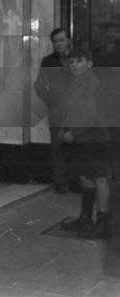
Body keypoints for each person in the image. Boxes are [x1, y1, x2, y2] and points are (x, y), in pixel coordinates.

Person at [59, 48, 112, 239]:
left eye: (79, 61)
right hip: (83, 140)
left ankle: (103, 223)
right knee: (86, 177)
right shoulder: (77, 83)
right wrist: (65, 128)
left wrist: (73, 132)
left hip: (95, 139)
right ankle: (85, 218)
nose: (73, 64)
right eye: (71, 61)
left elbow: (90, 114)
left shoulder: (91, 83)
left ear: (89, 64)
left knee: (99, 178)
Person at [34, 27, 72, 193]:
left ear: (68, 40)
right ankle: (61, 182)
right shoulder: (48, 61)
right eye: (56, 41)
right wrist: (51, 100)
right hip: (57, 109)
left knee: (77, 145)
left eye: (62, 40)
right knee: (58, 147)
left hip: (79, 109)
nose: (59, 44)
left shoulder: (78, 57)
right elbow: (39, 85)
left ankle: (77, 181)